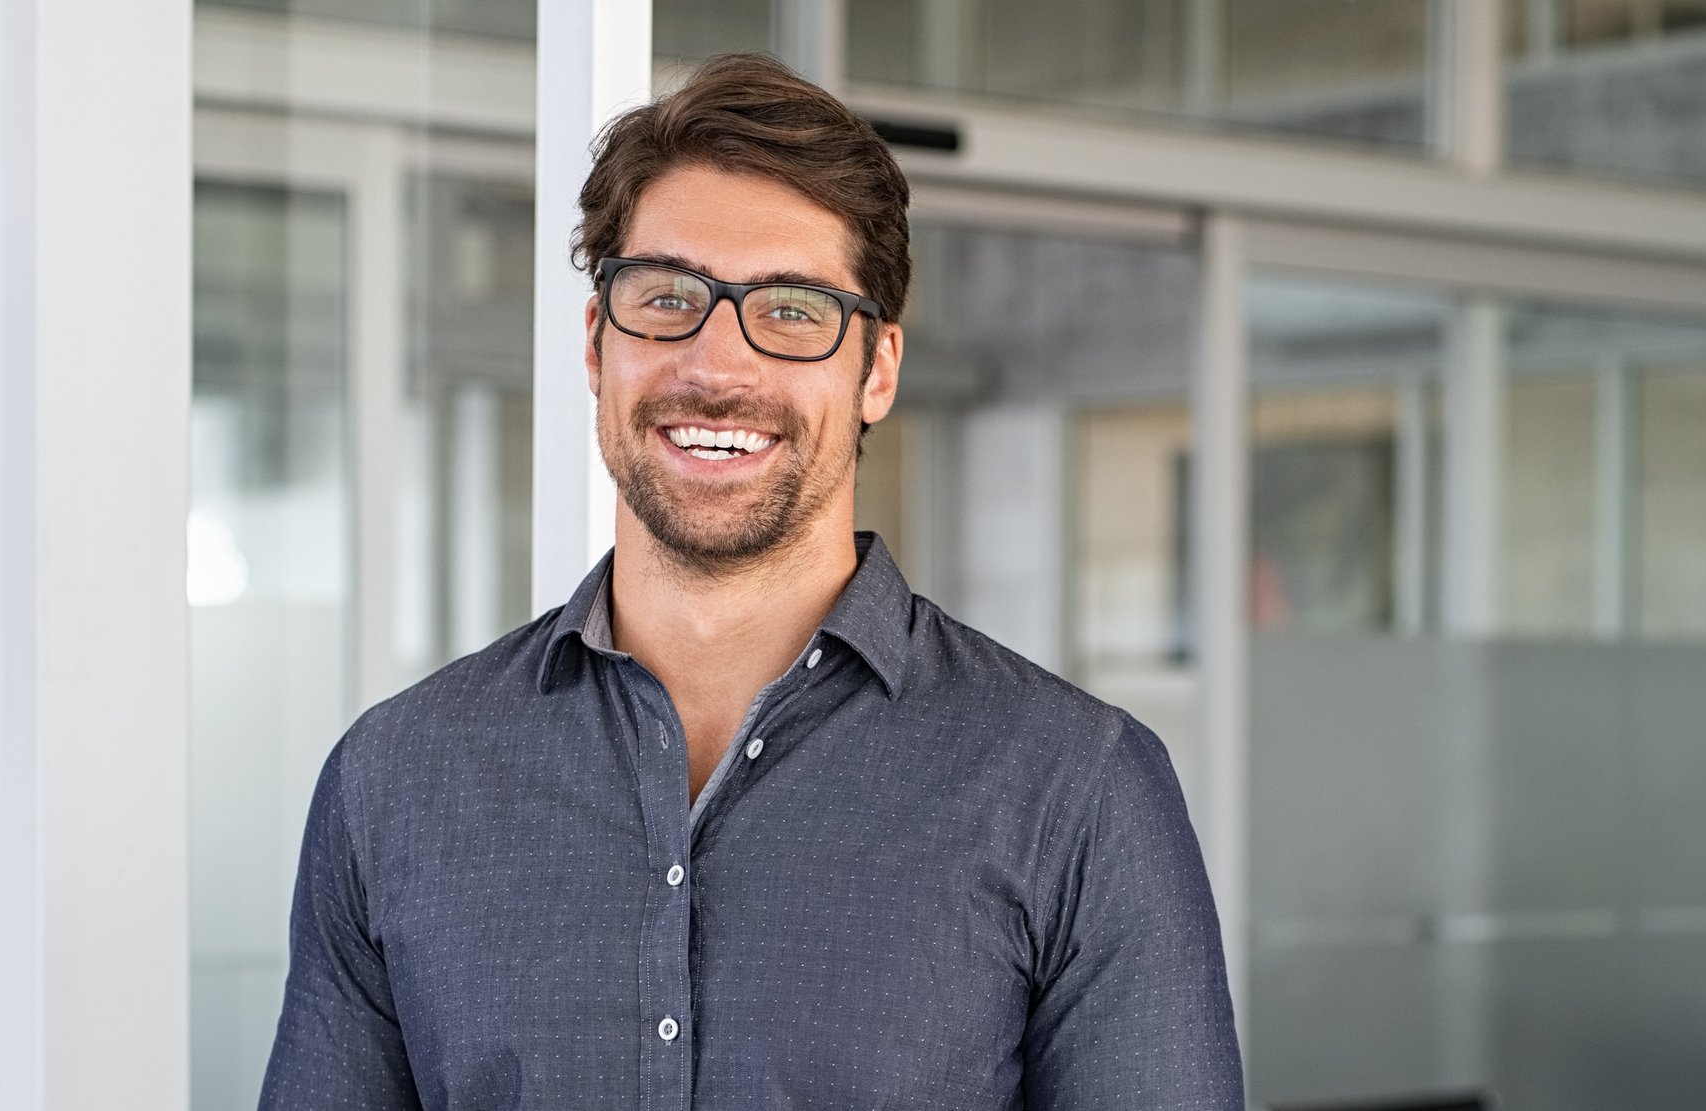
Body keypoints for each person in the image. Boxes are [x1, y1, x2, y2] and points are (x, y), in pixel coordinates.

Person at [258, 52, 1243, 1110]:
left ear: (877, 369)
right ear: (597, 344)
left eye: (790, 310)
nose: (717, 367)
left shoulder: (1077, 792)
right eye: (668, 297)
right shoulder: (395, 782)